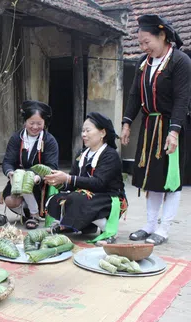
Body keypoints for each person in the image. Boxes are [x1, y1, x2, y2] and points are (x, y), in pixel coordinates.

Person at [121, 14, 191, 245]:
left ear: (162, 36)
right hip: (150, 126)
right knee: (151, 178)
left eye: (146, 42)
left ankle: (164, 228)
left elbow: (182, 99)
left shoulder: (180, 61)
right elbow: (133, 95)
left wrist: (174, 132)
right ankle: (150, 225)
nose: (143, 47)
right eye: (140, 43)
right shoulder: (145, 62)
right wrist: (127, 122)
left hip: (172, 126)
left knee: (170, 179)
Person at [45, 112, 126, 246]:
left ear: (102, 133)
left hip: (108, 197)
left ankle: (109, 230)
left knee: (77, 200)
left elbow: (99, 183)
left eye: (88, 130)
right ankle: (77, 225)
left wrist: (68, 178)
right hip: (86, 195)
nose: (83, 134)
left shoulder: (110, 155)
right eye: (83, 131)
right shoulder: (82, 154)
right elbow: (72, 182)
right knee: (57, 199)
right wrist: (58, 181)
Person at [1, 100, 59, 229]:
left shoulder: (49, 141)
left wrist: (38, 177)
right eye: (31, 123)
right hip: (17, 181)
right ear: (25, 122)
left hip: (40, 184)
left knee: (28, 177)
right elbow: (8, 161)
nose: (35, 127)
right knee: (11, 200)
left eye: (39, 123)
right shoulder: (17, 138)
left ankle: (35, 214)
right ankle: (29, 212)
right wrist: (10, 173)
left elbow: (52, 166)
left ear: (45, 123)